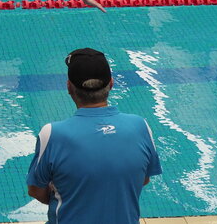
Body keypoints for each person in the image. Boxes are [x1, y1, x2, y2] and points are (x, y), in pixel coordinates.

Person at [26, 48, 162, 221]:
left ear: (69, 87)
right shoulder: (140, 127)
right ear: (111, 83)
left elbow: (35, 190)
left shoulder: (52, 134)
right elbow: (143, 180)